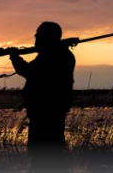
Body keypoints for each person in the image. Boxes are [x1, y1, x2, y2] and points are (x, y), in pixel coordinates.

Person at [8, 21, 75, 172]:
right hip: (46, 112)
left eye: (39, 35)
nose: (35, 37)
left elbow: (29, 71)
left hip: (47, 113)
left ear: (47, 37)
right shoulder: (56, 53)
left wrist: (15, 57)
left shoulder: (54, 55)